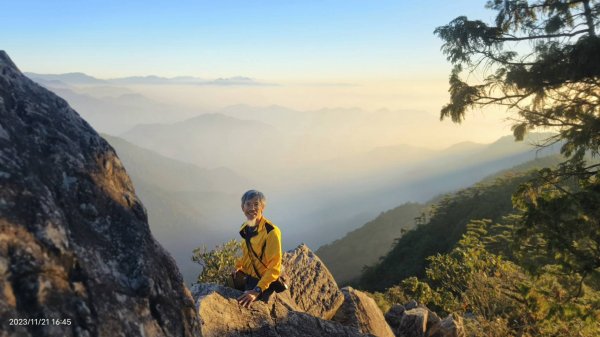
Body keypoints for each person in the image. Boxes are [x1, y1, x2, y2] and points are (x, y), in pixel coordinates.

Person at [232, 190, 283, 308]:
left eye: (256, 204)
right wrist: (238, 266)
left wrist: (256, 291)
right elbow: (246, 253)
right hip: (248, 279)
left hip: (263, 284)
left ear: (262, 207)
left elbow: (275, 268)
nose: (252, 208)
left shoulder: (271, 232)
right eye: (248, 204)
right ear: (242, 208)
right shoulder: (245, 227)